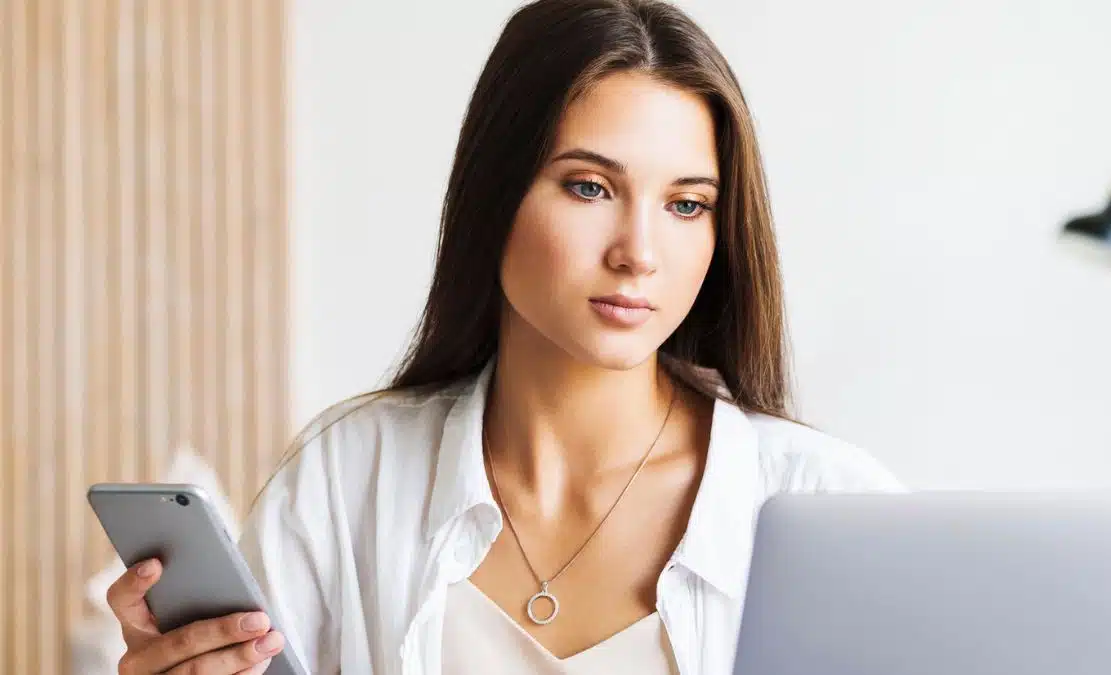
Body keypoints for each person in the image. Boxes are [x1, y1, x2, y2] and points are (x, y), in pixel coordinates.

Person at [104, 0, 902, 673]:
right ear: (497, 192)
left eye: (686, 204)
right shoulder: (347, 480)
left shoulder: (829, 509)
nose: (639, 252)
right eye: (590, 187)